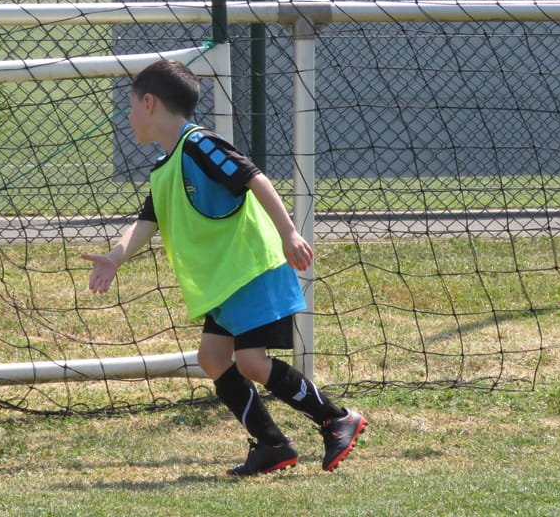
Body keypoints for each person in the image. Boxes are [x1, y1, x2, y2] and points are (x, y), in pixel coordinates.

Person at [82, 59, 367, 476]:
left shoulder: (199, 144)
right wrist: (114, 257)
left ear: (149, 103)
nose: (126, 118)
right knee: (213, 358)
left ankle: (335, 418)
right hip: (226, 283)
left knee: (251, 361)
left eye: (128, 106)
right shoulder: (164, 169)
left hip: (253, 269)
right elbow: (147, 222)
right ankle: (272, 445)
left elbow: (255, 178)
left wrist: (289, 234)